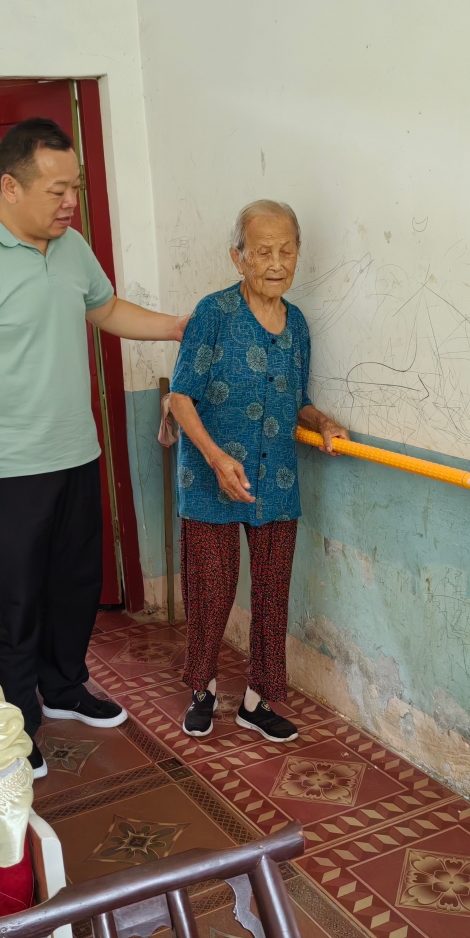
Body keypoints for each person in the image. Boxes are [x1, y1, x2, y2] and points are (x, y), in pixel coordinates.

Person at [0, 118, 185, 779]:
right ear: (9, 187)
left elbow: (105, 309)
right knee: (15, 601)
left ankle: (63, 686)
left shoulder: (70, 247)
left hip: (77, 451)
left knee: (75, 584)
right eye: (57, 190)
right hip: (9, 466)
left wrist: (177, 326)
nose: (70, 203)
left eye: (76, 188)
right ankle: (15, 724)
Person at [168, 200, 348, 742]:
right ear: (238, 257)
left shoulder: (298, 326)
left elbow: (297, 399)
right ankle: (202, 689)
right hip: (210, 478)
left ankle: (257, 701)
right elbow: (181, 398)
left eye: (286, 250)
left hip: (277, 482)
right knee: (211, 591)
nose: (276, 262)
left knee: (272, 594)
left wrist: (322, 421)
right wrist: (215, 457)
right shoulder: (213, 314)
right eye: (263, 251)